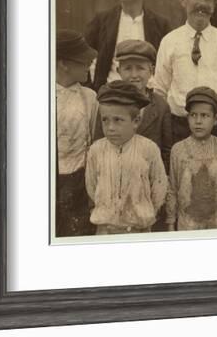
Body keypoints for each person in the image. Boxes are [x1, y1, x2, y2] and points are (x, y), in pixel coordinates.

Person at [92, 39, 173, 231]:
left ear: (151, 70)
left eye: (140, 68)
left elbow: (166, 152)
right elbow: (97, 148)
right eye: (128, 68)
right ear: (118, 71)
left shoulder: (160, 106)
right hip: (111, 192)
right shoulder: (107, 103)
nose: (134, 75)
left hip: (144, 194)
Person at [154, 0, 217, 145]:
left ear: (215, 3)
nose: (202, 3)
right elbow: (159, 92)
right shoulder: (170, 41)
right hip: (179, 129)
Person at [85, 80, 168, 235]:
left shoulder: (148, 149)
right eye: (105, 120)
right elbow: (91, 185)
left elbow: (159, 186)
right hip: (105, 229)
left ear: (136, 121)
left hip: (139, 230)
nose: (110, 128)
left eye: (118, 120)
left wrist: (145, 213)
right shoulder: (96, 150)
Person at [84, 0, 171, 92]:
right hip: (110, 95)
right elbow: (83, 56)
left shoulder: (160, 24)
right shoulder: (102, 20)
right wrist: (90, 90)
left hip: (149, 95)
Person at [55, 29, 98, 237]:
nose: (88, 65)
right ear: (63, 63)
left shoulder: (89, 98)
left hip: (79, 181)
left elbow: (92, 140)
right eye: (83, 61)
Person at [166, 87, 217, 231]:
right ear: (188, 118)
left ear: (216, 119)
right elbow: (172, 189)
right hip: (187, 224)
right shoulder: (178, 150)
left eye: (204, 116)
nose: (198, 121)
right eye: (193, 115)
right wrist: (170, 224)